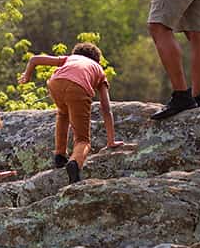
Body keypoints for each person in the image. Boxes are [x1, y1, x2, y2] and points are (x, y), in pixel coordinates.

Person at [18, 42, 122, 183]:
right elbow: (106, 108)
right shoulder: (98, 69)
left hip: (56, 83)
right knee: (83, 140)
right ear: (97, 60)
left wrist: (27, 76)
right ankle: (74, 163)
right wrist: (111, 140)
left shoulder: (70, 58)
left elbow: (34, 59)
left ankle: (60, 155)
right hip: (78, 89)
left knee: (63, 113)